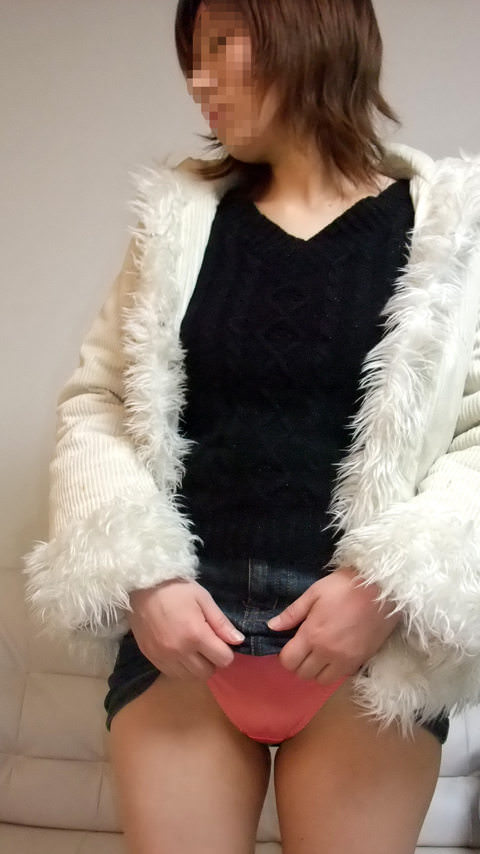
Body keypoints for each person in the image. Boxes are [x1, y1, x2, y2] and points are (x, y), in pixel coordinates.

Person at [22, 0, 480, 852]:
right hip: (185, 643)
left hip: (365, 653)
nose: (197, 82)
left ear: (307, 32)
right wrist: (144, 579)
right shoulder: (177, 225)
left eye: (219, 47)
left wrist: (385, 587)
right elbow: (98, 405)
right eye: (190, 57)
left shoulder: (450, 232)